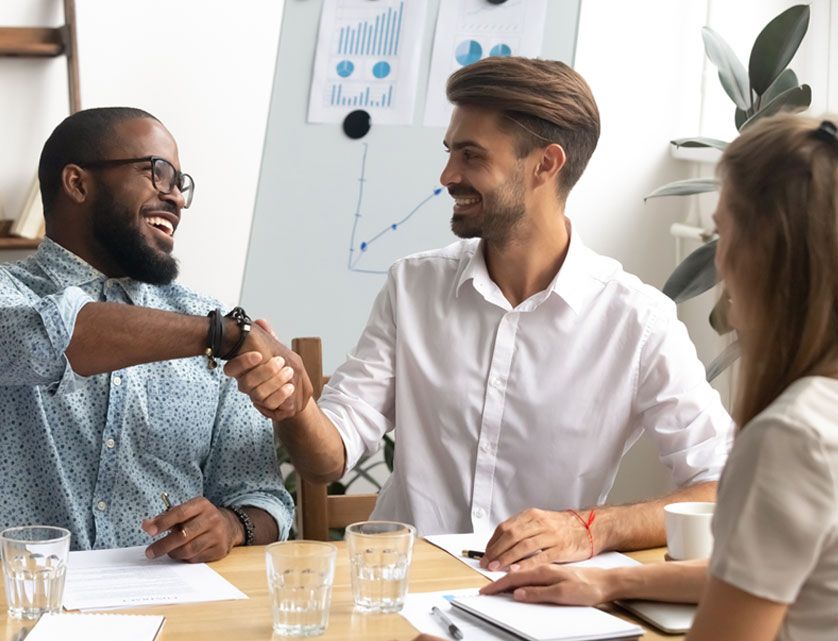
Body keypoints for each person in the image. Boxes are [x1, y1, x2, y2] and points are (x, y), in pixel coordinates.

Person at [228, 57, 733, 568]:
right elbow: (326, 460)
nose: (447, 175)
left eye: (471, 156)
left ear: (546, 164)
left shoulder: (637, 321)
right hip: (403, 587)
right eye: (450, 152)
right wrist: (294, 406)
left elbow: (726, 487)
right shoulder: (413, 287)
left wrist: (587, 529)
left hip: (543, 599)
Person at [459, 113, 838, 641]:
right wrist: (610, 583)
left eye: (721, 232)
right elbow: (767, 573)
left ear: (770, 254)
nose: (719, 262)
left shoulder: (792, 436)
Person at [0, 107, 312, 562]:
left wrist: (230, 525)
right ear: (77, 183)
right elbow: (47, 341)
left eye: (181, 184)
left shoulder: (213, 325)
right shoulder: (9, 296)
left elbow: (263, 498)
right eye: (157, 173)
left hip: (175, 614)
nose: (177, 199)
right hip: (23, 611)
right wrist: (220, 335)